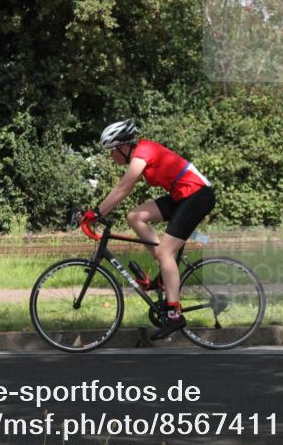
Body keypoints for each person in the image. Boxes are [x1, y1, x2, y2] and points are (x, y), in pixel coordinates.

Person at [83, 119, 216, 339]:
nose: (111, 156)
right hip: (181, 196)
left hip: (197, 195)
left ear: (123, 147)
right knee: (135, 216)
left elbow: (124, 188)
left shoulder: (143, 152)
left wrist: (97, 213)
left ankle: (175, 315)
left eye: (111, 151)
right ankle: (163, 271)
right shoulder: (140, 153)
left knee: (166, 251)